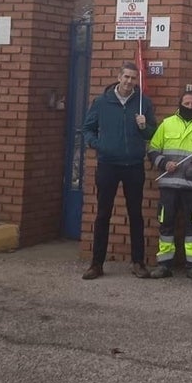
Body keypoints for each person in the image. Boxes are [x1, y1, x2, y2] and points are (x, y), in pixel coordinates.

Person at [81, 62, 157, 280]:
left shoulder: (143, 103)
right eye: (126, 77)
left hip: (134, 165)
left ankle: (138, 262)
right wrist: (98, 144)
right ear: (119, 77)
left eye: (133, 78)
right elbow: (87, 128)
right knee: (103, 214)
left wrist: (144, 126)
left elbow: (152, 133)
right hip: (108, 165)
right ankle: (96, 264)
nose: (129, 81)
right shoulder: (102, 102)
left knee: (136, 215)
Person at [146, 92, 192, 282]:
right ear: (180, 104)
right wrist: (164, 163)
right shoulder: (167, 123)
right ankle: (164, 264)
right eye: (187, 103)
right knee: (166, 223)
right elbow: (152, 149)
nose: (190, 106)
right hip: (168, 185)